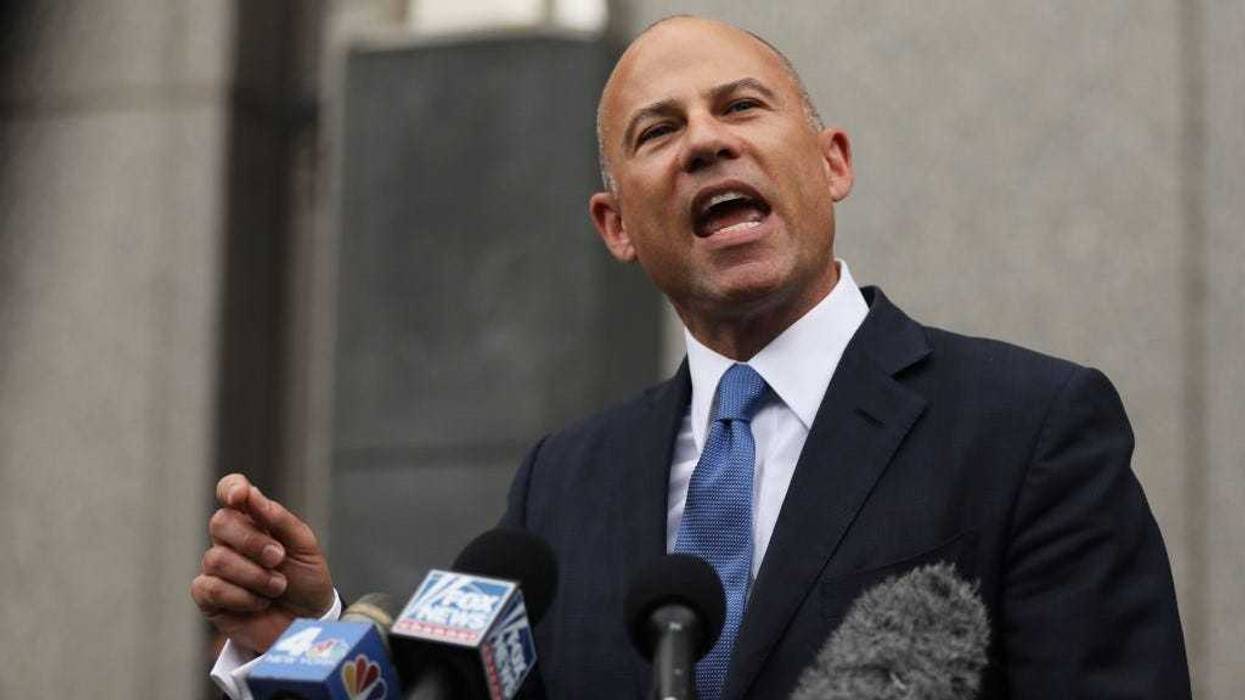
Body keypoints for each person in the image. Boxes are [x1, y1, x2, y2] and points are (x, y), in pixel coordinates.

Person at [194, 15, 1191, 700]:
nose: (705, 142)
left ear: (832, 161)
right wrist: (310, 644)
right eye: (659, 131)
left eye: (741, 108)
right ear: (617, 225)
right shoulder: (560, 489)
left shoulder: (1028, 429)